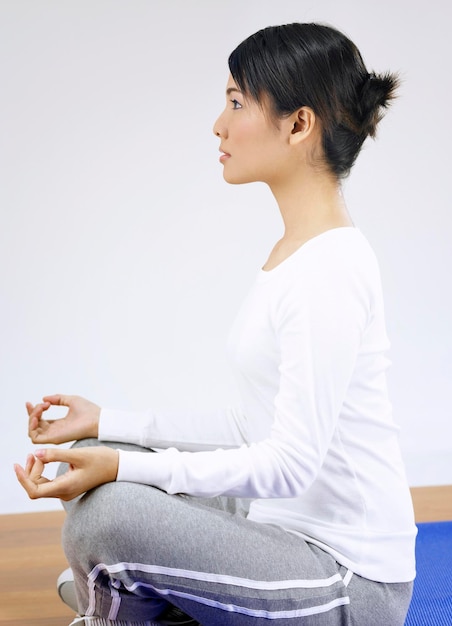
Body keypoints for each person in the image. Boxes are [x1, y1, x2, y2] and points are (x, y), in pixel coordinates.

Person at [14, 22, 417, 626]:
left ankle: (116, 608)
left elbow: (286, 465)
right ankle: (145, 593)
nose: (218, 125)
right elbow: (249, 425)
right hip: (281, 528)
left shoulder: (328, 271)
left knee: (108, 517)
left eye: (235, 102)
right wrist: (108, 424)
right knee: (98, 452)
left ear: (298, 124)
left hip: (348, 585)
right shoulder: (298, 251)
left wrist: (126, 469)